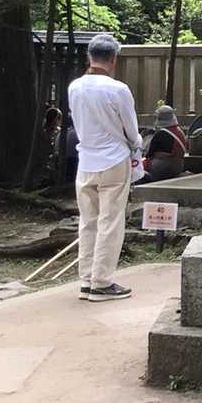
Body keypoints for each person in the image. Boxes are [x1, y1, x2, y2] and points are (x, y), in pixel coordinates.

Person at [67, 33, 141, 301]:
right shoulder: (118, 89)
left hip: (86, 160)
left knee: (88, 221)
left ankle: (87, 279)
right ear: (113, 58)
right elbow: (131, 130)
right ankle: (102, 282)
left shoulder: (74, 87)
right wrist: (136, 145)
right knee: (110, 221)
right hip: (113, 159)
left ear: (89, 56)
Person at [143, 105, 187, 182]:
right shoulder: (180, 132)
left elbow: (149, 154)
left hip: (161, 168)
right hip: (178, 167)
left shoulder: (160, 134)